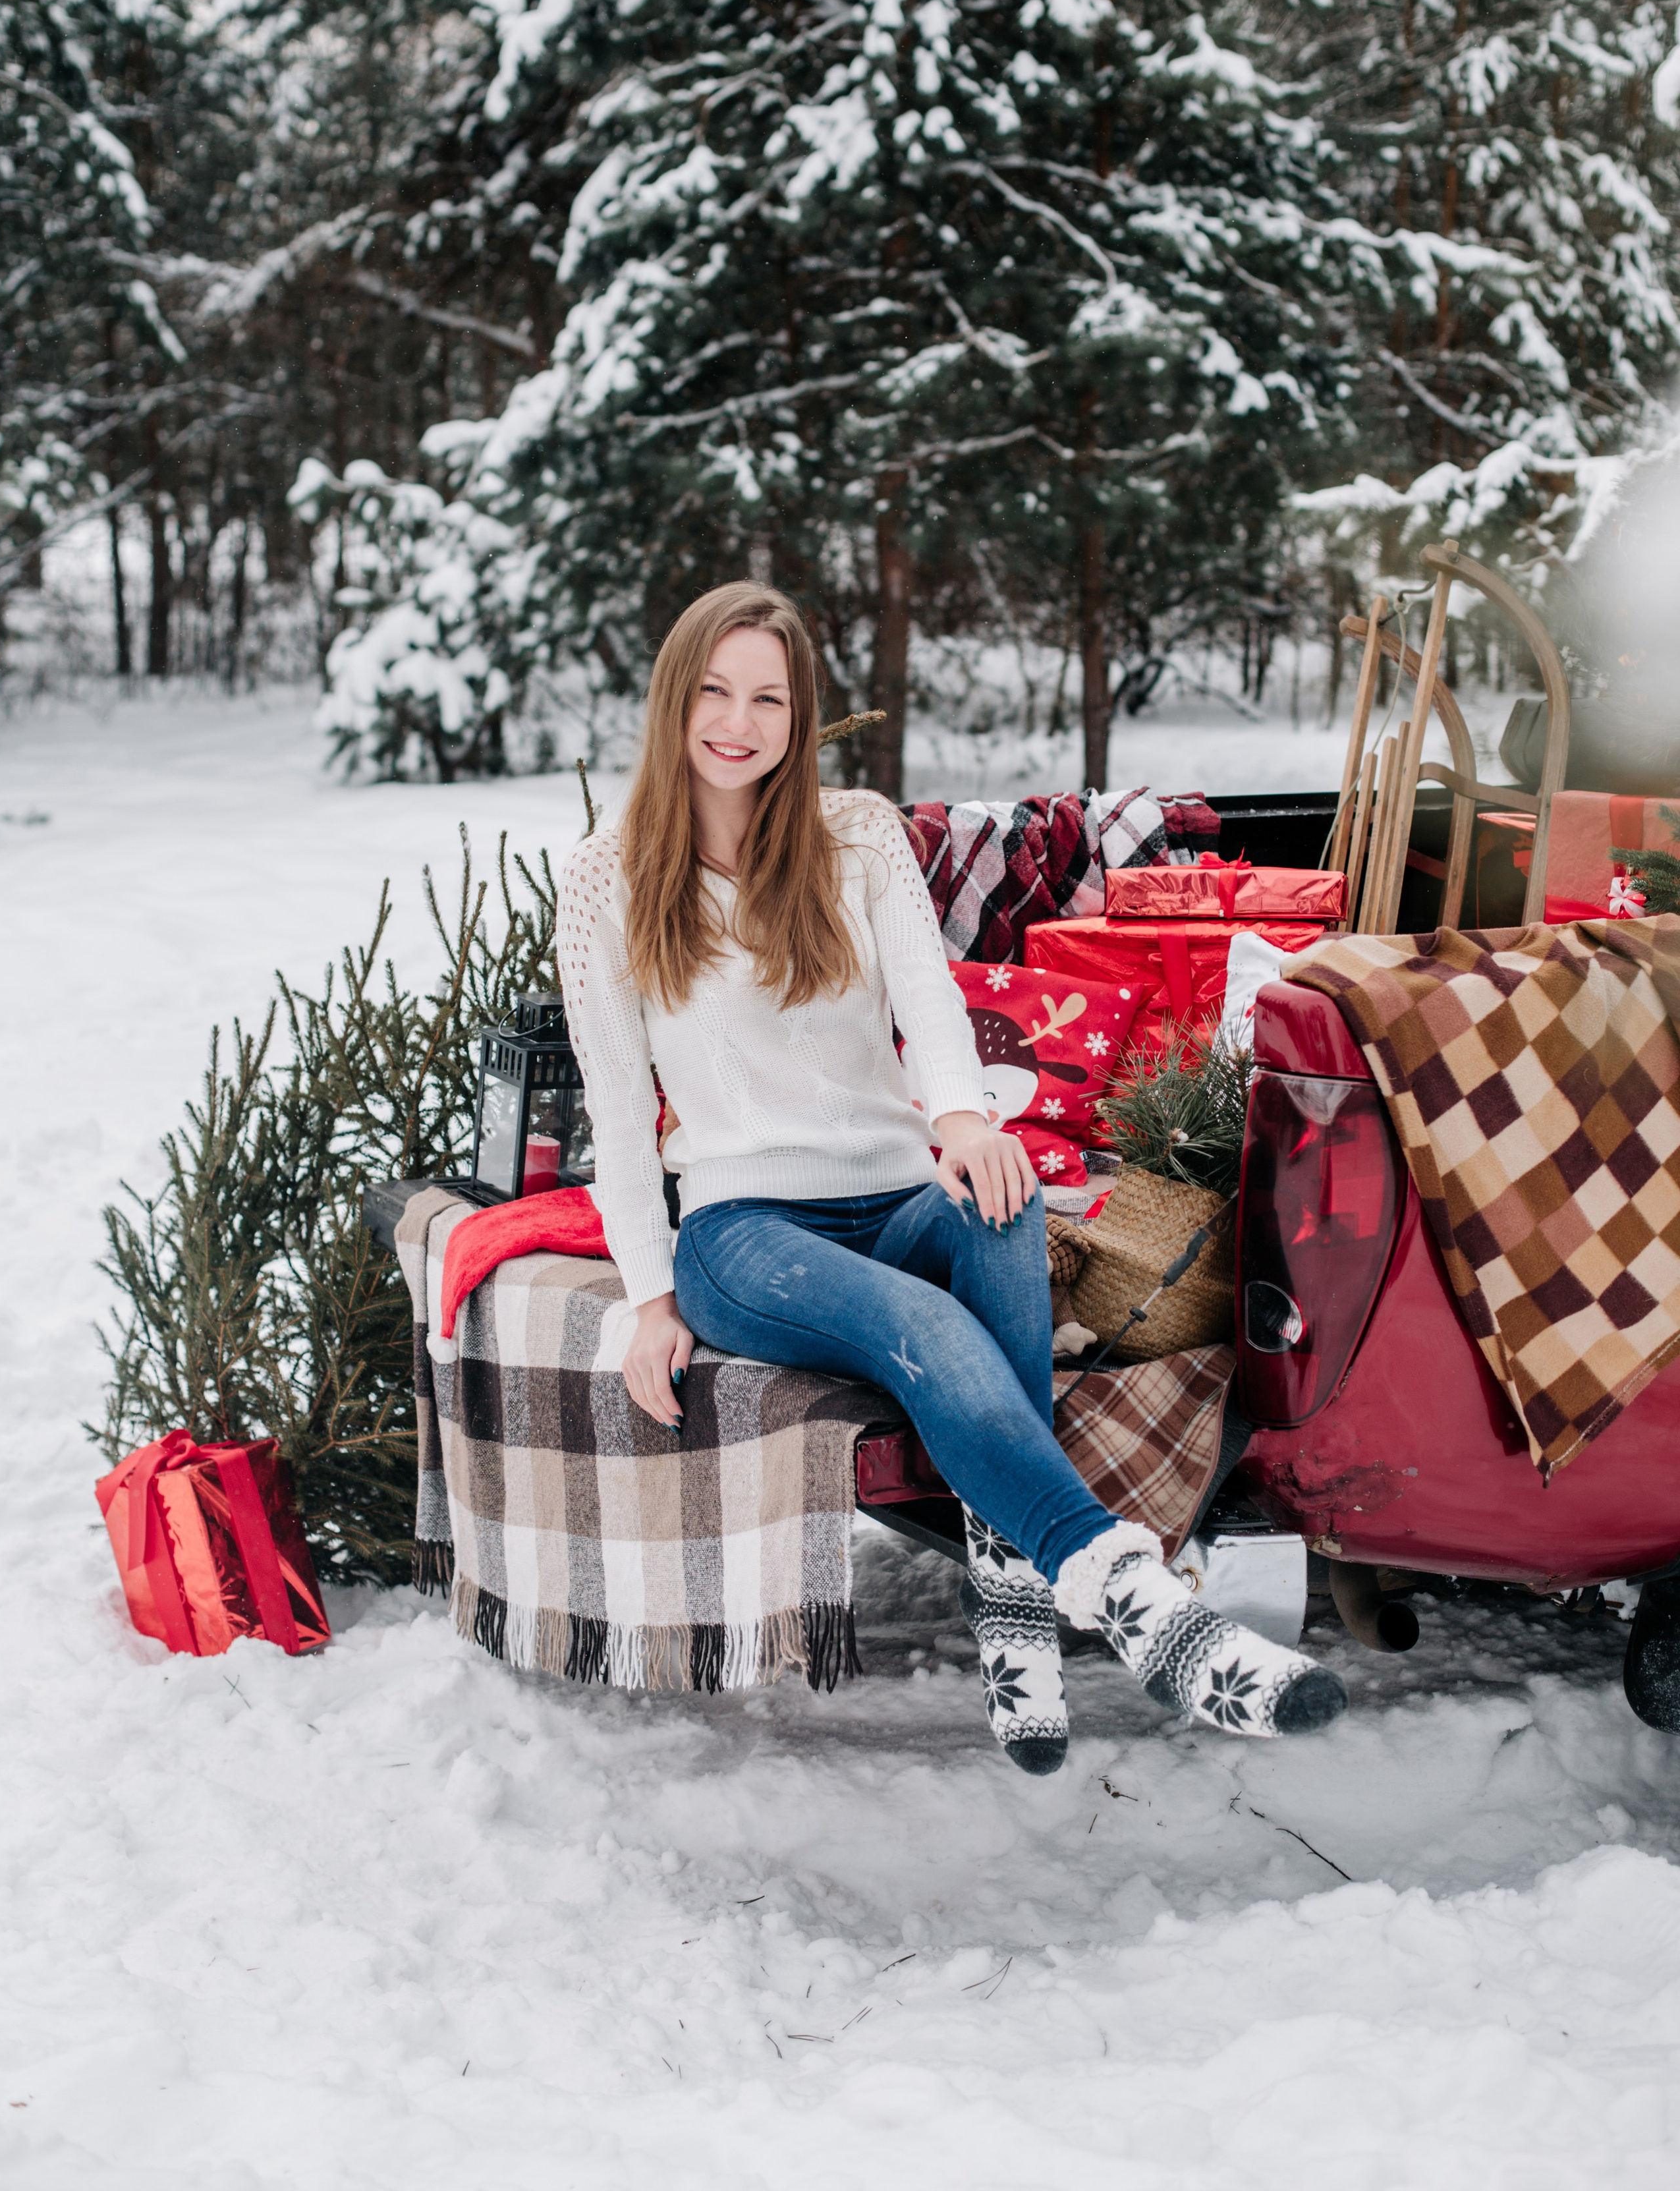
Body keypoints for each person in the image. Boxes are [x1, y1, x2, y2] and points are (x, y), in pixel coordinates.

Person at [557, 583, 1345, 1772]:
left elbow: (929, 1000)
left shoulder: (858, 838)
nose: (738, 721)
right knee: (925, 1319)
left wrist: (969, 1121)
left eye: (768, 697)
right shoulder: (607, 881)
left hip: (893, 1188)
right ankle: (1145, 1607)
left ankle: (1011, 1588)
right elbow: (618, 1114)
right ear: (675, 700)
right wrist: (648, 1297)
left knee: (1004, 1205)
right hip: (743, 1229)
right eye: (714, 691)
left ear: (799, 715)